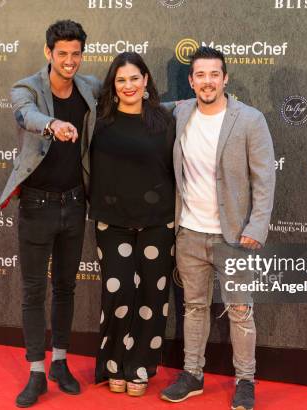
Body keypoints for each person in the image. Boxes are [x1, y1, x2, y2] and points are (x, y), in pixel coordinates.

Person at [160, 47, 276, 410]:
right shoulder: (179, 113)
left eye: (215, 74)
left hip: (235, 236)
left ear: (225, 78)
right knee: (194, 308)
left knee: (241, 310)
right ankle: (192, 374)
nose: (207, 81)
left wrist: (257, 225)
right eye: (200, 75)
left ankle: (245, 381)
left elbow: (264, 177)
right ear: (191, 81)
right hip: (189, 233)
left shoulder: (250, 119)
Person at [0, 20, 100, 408]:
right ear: (48, 53)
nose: (70, 61)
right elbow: (26, 116)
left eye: (76, 54)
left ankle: (60, 362)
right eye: (62, 54)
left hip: (75, 204)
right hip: (37, 206)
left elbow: (128, 100)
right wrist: (53, 124)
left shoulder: (89, 87)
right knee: (34, 291)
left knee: (67, 288)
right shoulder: (26, 88)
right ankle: (36, 372)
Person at [89, 52, 175, 397]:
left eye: (134, 79)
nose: (128, 86)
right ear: (113, 84)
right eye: (121, 80)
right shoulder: (99, 120)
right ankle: (114, 364)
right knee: (118, 293)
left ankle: (140, 367)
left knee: (153, 298)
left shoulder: (165, 120)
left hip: (158, 222)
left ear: (146, 81)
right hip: (113, 224)